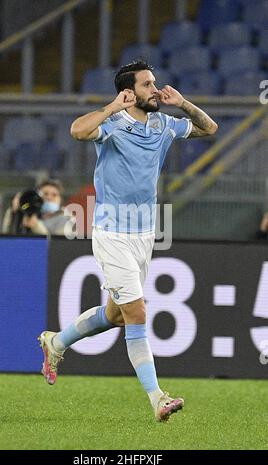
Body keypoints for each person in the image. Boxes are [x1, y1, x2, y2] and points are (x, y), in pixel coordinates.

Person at [38, 60, 218, 422]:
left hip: (145, 235)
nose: (155, 88)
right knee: (137, 313)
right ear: (129, 91)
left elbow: (209, 128)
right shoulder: (113, 125)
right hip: (111, 234)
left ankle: (55, 342)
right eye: (148, 84)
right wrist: (111, 108)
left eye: (154, 83)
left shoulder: (163, 124)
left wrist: (182, 103)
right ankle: (157, 398)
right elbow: (76, 130)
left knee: (116, 314)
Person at [2, 179, 76, 236]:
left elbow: (57, 245)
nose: (49, 198)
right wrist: (15, 211)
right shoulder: (25, 212)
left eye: (54, 195)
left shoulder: (68, 220)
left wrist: (36, 226)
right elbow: (7, 235)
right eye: (45, 194)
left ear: (61, 199)